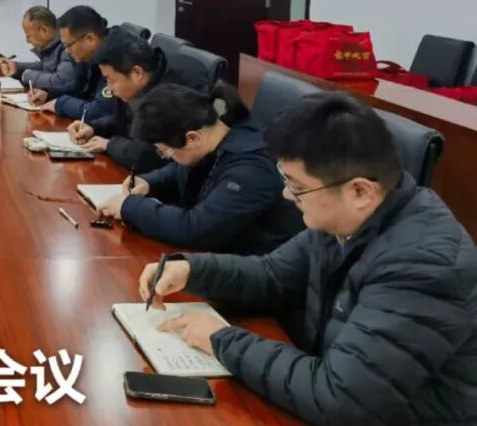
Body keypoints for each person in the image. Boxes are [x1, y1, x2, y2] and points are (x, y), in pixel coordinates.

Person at [138, 94, 477, 425]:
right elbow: (272, 275)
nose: (286, 195)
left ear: (360, 191)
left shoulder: (424, 266)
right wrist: (192, 270)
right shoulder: (347, 219)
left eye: (297, 187)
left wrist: (221, 339)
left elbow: (340, 398)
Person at [98, 83, 304, 254]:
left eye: (166, 152)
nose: (168, 158)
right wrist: (149, 183)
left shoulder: (251, 168)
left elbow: (197, 229)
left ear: (192, 138)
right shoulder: (216, 131)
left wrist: (130, 207)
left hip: (255, 271)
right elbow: (181, 169)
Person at [64, 29, 170, 170]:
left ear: (137, 73)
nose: (109, 88)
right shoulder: (134, 90)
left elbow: (149, 155)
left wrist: (109, 144)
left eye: (110, 79)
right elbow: (121, 121)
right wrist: (94, 128)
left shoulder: (166, 100)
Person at [27, 6, 114, 120]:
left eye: (68, 45)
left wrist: (60, 104)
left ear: (90, 38)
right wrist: (49, 94)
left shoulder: (114, 55)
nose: (67, 51)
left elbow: (99, 111)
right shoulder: (86, 55)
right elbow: (79, 89)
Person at [0, 5, 85, 97]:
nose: (27, 41)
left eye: (28, 36)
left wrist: (27, 76)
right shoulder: (52, 42)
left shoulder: (68, 45)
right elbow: (46, 66)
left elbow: (61, 82)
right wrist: (16, 68)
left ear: (44, 30)